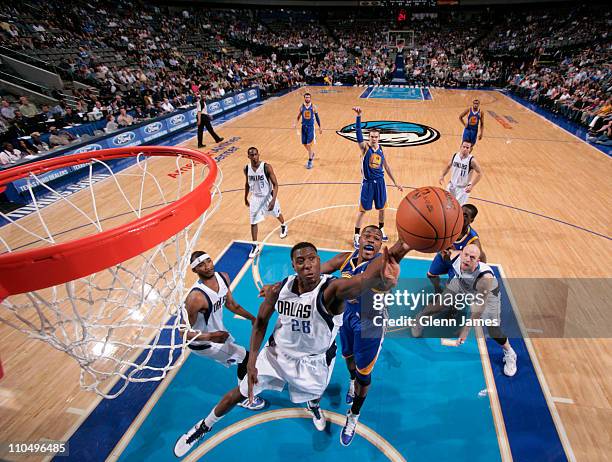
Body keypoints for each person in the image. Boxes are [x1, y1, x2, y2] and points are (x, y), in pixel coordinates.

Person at [174, 240, 410, 458]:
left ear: (319, 261)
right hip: (276, 355)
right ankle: (203, 426)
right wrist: (253, 361)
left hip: (313, 362)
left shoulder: (333, 290)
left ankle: (314, 406)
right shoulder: (280, 289)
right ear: (293, 266)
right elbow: (260, 323)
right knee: (240, 391)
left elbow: (363, 280)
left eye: (312, 259)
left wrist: (401, 249)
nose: (307, 265)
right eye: (301, 261)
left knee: (314, 393)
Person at [319, 225, 387, 446]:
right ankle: (351, 381)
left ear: (380, 246)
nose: (371, 240)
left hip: (370, 325)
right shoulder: (345, 258)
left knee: (364, 375)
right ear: (359, 240)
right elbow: (317, 271)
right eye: (367, 235)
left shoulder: (383, 266)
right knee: (348, 357)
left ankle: (354, 416)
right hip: (346, 318)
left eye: (377, 238)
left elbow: (384, 282)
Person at [413, 244, 517, 377]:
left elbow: (479, 307)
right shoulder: (455, 256)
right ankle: (420, 317)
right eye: (466, 255)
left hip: (488, 295)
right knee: (441, 302)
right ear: (461, 253)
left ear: (477, 261)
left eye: (472, 257)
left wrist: (466, 329)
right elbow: (443, 250)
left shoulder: (485, 279)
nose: (467, 259)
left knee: (493, 330)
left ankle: (510, 353)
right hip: (463, 283)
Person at [182, 251, 265, 411]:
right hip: (203, 343)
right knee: (246, 358)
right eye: (201, 265)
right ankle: (244, 397)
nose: (207, 266)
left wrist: (252, 318)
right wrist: (211, 336)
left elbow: (231, 305)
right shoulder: (195, 298)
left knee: (243, 357)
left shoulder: (223, 277)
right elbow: (183, 333)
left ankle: (244, 389)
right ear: (195, 270)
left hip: (218, 335)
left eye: (208, 261)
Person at [352, 107, 403, 249]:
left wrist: (396, 182)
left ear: (379, 138)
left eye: (376, 137)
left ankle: (381, 228)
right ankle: (356, 235)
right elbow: (358, 135)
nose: (374, 139)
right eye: (372, 136)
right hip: (368, 184)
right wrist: (359, 117)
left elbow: (386, 166)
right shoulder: (365, 148)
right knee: (363, 210)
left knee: (382, 208)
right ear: (369, 137)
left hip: (380, 182)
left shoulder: (381, 149)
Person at [427, 204, 485, 293]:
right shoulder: (447, 226)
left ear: (471, 220)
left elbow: (481, 257)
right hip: (443, 258)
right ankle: (437, 291)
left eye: (465, 215)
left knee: (452, 288)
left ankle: (453, 303)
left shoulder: (473, 240)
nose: (461, 216)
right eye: (460, 213)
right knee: (431, 275)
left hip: (459, 264)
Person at [244, 146, 288, 258]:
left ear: (258, 155)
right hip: (255, 198)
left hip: (268, 196)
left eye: (255, 154)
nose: (254, 157)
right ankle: (255, 245)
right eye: (251, 155)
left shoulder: (266, 167)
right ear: (248, 156)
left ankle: (283, 225)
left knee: (277, 214)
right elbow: (247, 184)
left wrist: (273, 200)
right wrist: (245, 197)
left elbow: (276, 185)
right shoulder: (246, 169)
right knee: (253, 221)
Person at [438, 140, 483, 205]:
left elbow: (480, 173)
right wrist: (442, 175)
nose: (465, 149)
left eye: (467, 148)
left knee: (459, 208)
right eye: (463, 147)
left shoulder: (472, 161)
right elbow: (448, 166)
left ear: (470, 149)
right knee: (446, 204)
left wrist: (471, 186)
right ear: (460, 146)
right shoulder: (455, 156)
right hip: (452, 185)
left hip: (463, 189)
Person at [293, 93, 322, 169]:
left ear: (310, 98)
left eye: (309, 97)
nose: (307, 99)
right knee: (304, 144)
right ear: (304, 98)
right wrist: (295, 123)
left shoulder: (313, 107)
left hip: (310, 127)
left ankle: (310, 161)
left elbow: (317, 117)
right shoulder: (301, 107)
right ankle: (311, 153)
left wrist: (320, 127)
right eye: (306, 97)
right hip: (303, 127)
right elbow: (298, 116)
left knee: (309, 144)